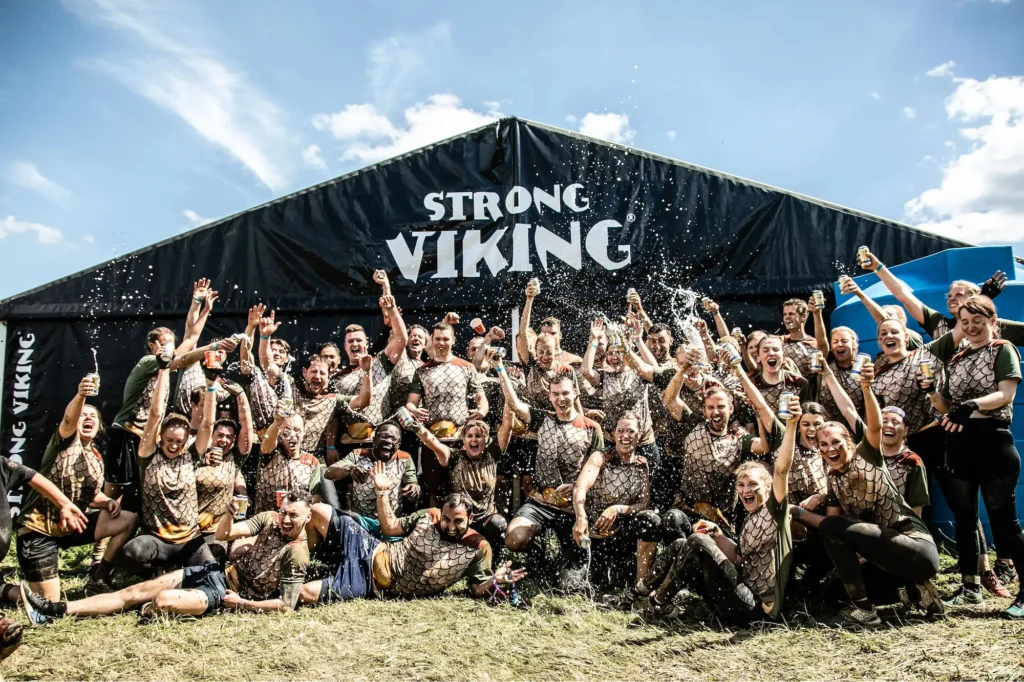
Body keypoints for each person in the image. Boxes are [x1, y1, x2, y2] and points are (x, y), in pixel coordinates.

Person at [792, 358, 943, 625]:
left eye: (835, 442)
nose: (829, 449)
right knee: (833, 595)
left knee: (835, 529)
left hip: (915, 549)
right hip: (881, 554)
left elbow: (873, 425)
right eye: (823, 445)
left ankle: (865, 611)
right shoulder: (834, 478)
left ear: (849, 442)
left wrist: (866, 387)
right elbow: (830, 525)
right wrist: (794, 511)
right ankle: (914, 592)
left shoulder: (868, 456)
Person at [21, 492, 314, 623]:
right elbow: (224, 534)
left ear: (308, 517)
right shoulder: (269, 518)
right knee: (133, 592)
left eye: (294, 515)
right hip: (215, 574)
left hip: (223, 596)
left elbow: (286, 606)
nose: (285, 520)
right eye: (284, 512)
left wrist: (241, 604)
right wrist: (228, 514)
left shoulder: (297, 552)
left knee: (161, 601)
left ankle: (153, 610)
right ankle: (56, 609)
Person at [640, 395, 799, 625]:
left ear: (767, 486)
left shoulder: (776, 511)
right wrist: (717, 533)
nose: (746, 490)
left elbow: (782, 469)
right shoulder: (750, 516)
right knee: (682, 544)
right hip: (735, 595)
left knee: (697, 541)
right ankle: (638, 592)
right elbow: (737, 557)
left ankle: (658, 603)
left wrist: (791, 425)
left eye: (753, 485)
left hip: (757, 610)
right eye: (741, 485)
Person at [924, 295, 1024, 617]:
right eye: (964, 322)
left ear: (992, 320)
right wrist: (932, 392)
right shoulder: (956, 358)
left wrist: (972, 405)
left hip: (992, 442)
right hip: (959, 445)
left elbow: (1005, 394)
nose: (970, 327)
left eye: (977, 321)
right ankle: (970, 589)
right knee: (965, 519)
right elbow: (947, 406)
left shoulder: (1002, 349)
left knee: (1004, 522)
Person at [303, 465, 525, 603]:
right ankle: (300, 565)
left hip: (371, 583)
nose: (450, 527)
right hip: (371, 548)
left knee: (306, 594)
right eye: (447, 519)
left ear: (471, 519)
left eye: (458, 522)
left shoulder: (478, 547)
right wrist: (382, 492)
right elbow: (390, 527)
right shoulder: (430, 516)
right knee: (318, 511)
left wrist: (494, 581)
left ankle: (310, 579)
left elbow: (477, 589)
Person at [104, 279, 225, 514]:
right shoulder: (149, 362)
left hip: (147, 436)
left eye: (171, 344)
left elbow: (190, 339)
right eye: (165, 344)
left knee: (139, 493)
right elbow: (185, 355)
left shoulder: (165, 366)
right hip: (126, 433)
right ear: (152, 345)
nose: (169, 348)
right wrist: (213, 347)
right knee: (114, 494)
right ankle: (99, 535)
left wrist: (201, 306)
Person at [15, 376, 137, 600]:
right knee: (48, 601)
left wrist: (107, 501)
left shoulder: (96, 456)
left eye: (93, 416)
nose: (88, 418)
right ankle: (5, 590)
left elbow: (91, 495)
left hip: (71, 526)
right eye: (83, 415)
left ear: (99, 426)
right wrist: (81, 396)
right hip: (39, 531)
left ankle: (99, 577)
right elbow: (69, 419)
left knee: (128, 519)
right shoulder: (64, 443)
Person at [496, 360, 603, 586]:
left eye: (565, 393)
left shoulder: (591, 428)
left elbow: (596, 471)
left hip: (573, 507)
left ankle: (569, 559)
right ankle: (539, 553)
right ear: (550, 397)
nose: (561, 399)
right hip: (541, 502)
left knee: (567, 585)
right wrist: (500, 368)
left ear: (575, 393)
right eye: (556, 394)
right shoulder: (543, 418)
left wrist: (577, 487)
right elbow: (514, 404)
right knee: (513, 539)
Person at [119, 369, 215, 577]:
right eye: (169, 440)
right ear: (161, 437)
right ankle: (155, 576)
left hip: (189, 539)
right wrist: (164, 370)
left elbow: (208, 423)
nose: (174, 445)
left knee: (212, 574)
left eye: (179, 441)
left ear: (186, 440)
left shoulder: (192, 455)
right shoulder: (148, 456)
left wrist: (210, 384)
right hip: (157, 539)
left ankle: (178, 574)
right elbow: (155, 415)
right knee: (129, 553)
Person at [572, 412, 660, 596]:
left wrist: (618, 509)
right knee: (570, 586)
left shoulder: (642, 464)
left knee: (650, 519)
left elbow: (643, 504)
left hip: (621, 536)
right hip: (593, 535)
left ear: (639, 434)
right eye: (620, 431)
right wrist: (580, 516)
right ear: (614, 434)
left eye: (631, 431)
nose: (625, 436)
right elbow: (580, 487)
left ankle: (641, 590)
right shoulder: (601, 457)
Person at [406, 321, 488, 505]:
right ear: (432, 341)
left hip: (460, 438)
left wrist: (481, 412)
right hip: (432, 440)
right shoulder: (422, 370)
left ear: (453, 340)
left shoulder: (466, 367)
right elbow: (410, 403)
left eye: (445, 339)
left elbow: (481, 398)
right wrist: (414, 410)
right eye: (437, 339)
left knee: (463, 489)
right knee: (435, 490)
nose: (441, 343)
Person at [406, 413, 510, 551]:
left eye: (478, 436)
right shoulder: (454, 457)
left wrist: (510, 403)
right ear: (464, 440)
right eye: (469, 436)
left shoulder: (491, 453)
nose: (474, 439)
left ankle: (494, 558)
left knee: (499, 525)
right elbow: (434, 443)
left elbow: (507, 426)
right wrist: (418, 428)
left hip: (486, 517)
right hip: (459, 518)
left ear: (485, 440)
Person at [580, 317, 659, 467]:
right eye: (610, 353)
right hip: (614, 442)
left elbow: (654, 367)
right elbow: (585, 371)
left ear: (626, 353)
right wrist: (594, 340)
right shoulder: (604, 376)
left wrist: (638, 340)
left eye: (618, 352)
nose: (614, 357)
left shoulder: (639, 373)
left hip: (643, 442)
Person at [193, 374, 253, 562]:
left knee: (211, 558)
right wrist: (202, 461)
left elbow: (247, 428)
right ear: (211, 436)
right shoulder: (196, 454)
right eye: (220, 435)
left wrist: (241, 395)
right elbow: (207, 422)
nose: (224, 440)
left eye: (229, 437)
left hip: (215, 531)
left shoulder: (234, 459)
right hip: (188, 526)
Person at [326, 423, 419, 521]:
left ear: (399, 444)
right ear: (374, 440)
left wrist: (414, 489)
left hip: (392, 521)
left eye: (393, 439)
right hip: (361, 521)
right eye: (384, 436)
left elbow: (413, 485)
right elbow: (329, 473)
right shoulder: (358, 454)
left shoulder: (405, 458)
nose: (388, 441)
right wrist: (351, 469)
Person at [254, 409, 325, 515]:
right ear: (279, 432)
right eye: (287, 429)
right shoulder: (270, 453)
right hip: (267, 517)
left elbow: (316, 497)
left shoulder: (312, 461)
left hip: (296, 518)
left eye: (297, 430)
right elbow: (267, 442)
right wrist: (277, 422)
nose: (292, 434)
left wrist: (296, 500)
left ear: (304, 432)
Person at [516, 279, 583, 368]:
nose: (549, 336)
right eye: (545, 333)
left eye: (553, 333)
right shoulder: (535, 359)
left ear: (560, 335)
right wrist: (529, 300)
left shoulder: (574, 360)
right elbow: (522, 335)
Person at [751, 335, 812, 416]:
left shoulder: (800, 383)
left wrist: (799, 412)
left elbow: (809, 416)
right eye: (765, 350)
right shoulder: (751, 385)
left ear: (783, 356)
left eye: (776, 350)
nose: (771, 353)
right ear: (758, 357)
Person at [816, 326, 865, 422]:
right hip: (827, 426)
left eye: (844, 341)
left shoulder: (862, 370)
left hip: (856, 426)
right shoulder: (825, 366)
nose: (839, 344)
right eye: (835, 342)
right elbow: (821, 343)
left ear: (854, 345)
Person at [781, 298, 824, 378]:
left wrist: (817, 313)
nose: (787, 317)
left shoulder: (813, 344)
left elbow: (822, 344)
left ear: (804, 316)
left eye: (791, 314)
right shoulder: (779, 341)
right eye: (785, 314)